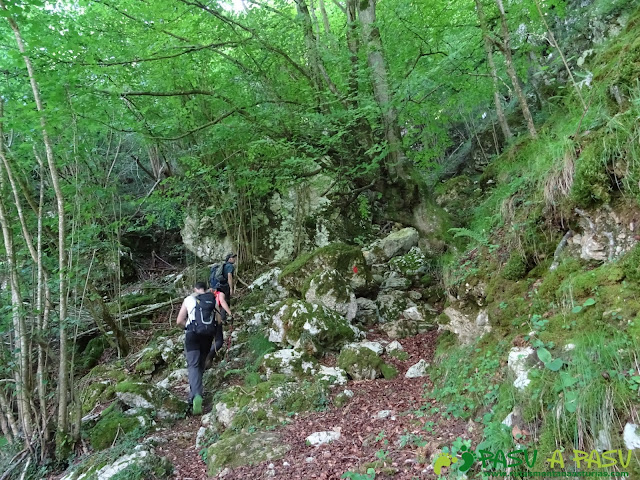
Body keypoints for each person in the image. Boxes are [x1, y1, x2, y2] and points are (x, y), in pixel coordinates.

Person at [176, 281, 231, 415]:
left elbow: (179, 321)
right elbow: (218, 320)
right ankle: (196, 394)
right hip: (207, 337)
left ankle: (196, 395)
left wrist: (187, 327)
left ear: (195, 289)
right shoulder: (212, 299)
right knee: (200, 365)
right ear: (206, 289)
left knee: (193, 365)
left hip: (192, 335)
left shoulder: (189, 299)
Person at [205, 286, 233, 369]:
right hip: (214, 321)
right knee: (219, 341)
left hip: (201, 325)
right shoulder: (219, 294)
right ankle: (208, 355)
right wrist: (230, 313)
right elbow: (222, 302)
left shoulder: (200, 299)